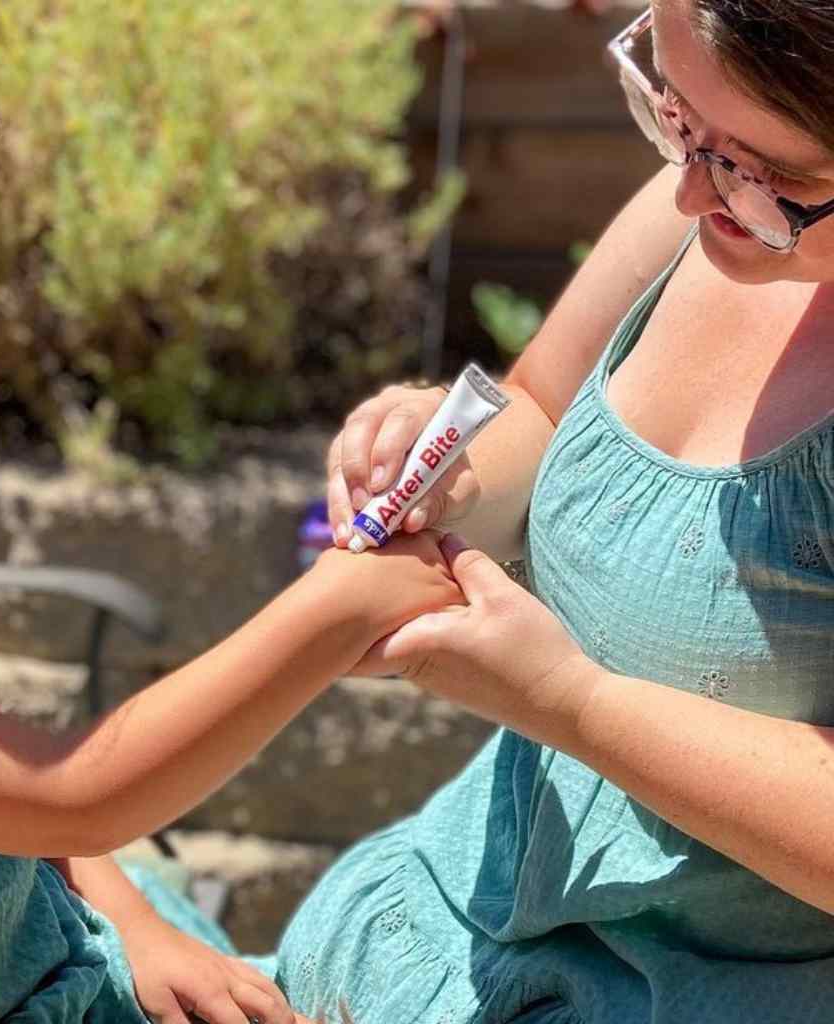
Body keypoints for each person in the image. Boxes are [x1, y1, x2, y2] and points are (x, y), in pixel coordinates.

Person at [0, 3, 465, 1022]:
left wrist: (133, 921)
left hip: (33, 942)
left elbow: (4, 784)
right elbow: (62, 788)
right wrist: (337, 608)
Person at [260, 1, 834, 1021]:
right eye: (670, 116)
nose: (692, 188)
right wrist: (441, 466)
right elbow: (539, 403)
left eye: (765, 176)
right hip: (450, 916)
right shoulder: (699, 207)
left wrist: (569, 703)